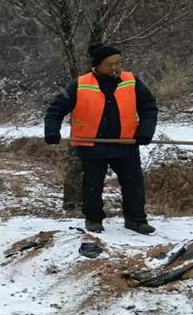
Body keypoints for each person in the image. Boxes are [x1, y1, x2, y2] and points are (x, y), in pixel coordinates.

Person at [44, 43, 158, 234]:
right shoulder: (80, 83)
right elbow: (55, 110)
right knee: (92, 185)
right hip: (92, 145)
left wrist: (145, 132)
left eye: (118, 63)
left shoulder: (131, 81)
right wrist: (52, 131)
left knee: (133, 184)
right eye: (110, 64)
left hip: (126, 144)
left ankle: (136, 220)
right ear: (97, 65)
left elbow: (149, 108)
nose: (115, 67)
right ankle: (94, 219)